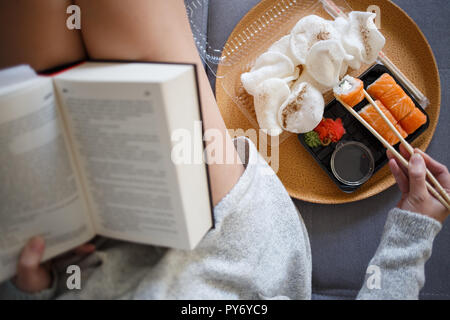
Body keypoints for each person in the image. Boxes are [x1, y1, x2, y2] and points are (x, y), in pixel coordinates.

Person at [0, 0, 448, 300]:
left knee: (33, 66)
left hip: (89, 273)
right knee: (123, 28)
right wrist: (415, 229)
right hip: (225, 250)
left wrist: (36, 288)